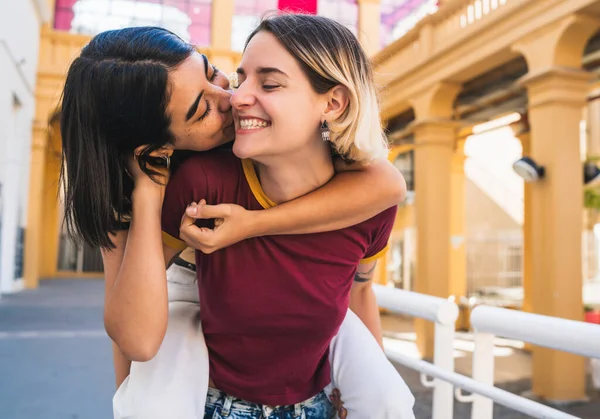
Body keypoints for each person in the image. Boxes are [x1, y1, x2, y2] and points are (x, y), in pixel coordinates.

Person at [59, 23, 414, 418]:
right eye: (202, 109)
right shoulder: (181, 182)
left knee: (390, 401)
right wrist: (148, 190)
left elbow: (388, 187)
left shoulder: (310, 153)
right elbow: (132, 334)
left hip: (291, 328)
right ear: (158, 146)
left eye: (213, 73)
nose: (232, 98)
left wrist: (251, 224)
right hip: (180, 282)